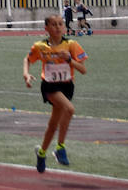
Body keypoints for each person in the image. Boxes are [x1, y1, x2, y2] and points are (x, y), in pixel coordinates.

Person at [23, 14, 87, 173]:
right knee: (70, 109)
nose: (58, 27)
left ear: (64, 27)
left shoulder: (71, 45)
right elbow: (28, 60)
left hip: (66, 86)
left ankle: (42, 153)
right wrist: (26, 74)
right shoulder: (40, 46)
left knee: (52, 126)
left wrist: (69, 60)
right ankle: (60, 148)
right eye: (54, 24)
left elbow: (83, 70)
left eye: (60, 24)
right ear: (46, 28)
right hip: (50, 86)